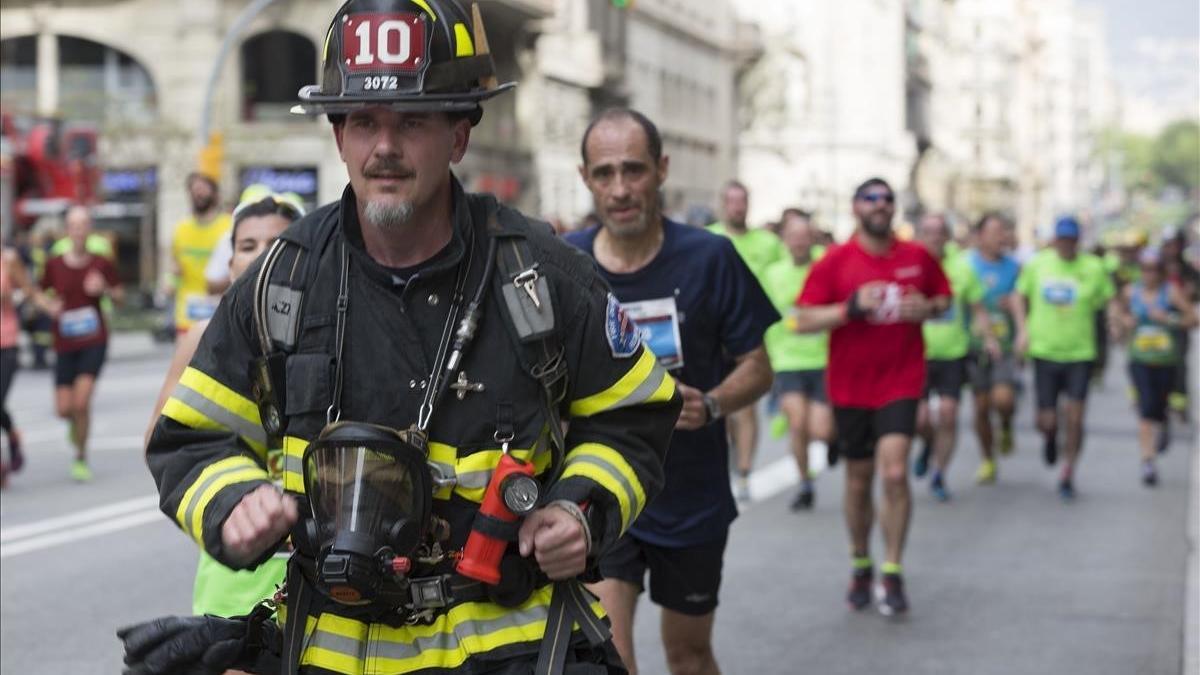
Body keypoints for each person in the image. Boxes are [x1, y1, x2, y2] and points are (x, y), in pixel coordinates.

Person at [130, 3, 681, 673]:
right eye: (363, 122)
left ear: (458, 136)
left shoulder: (541, 273)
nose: (383, 147)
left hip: (515, 649)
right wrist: (231, 500)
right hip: (333, 651)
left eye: (411, 121)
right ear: (338, 137)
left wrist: (578, 509)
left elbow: (633, 416)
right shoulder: (285, 279)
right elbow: (192, 437)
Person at [567, 107, 776, 675]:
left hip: (691, 496)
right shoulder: (566, 265)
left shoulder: (710, 258)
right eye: (604, 173)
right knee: (611, 656)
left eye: (633, 170)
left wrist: (710, 404)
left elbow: (758, 367)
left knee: (688, 655)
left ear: (661, 170)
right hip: (601, 492)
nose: (620, 189)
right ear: (585, 178)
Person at [145, 188, 305, 620]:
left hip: (318, 580)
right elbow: (162, 440)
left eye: (278, 246)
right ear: (230, 261)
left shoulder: (331, 337)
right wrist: (234, 500)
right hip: (235, 578)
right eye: (246, 246)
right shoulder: (202, 337)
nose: (259, 258)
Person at [794, 178, 951, 617]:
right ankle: (861, 561)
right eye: (870, 198)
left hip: (902, 381)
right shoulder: (836, 261)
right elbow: (802, 320)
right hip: (851, 387)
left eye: (886, 199)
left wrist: (929, 309)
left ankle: (893, 569)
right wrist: (851, 309)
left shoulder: (917, 256)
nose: (879, 206)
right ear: (855, 207)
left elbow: (943, 300)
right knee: (859, 480)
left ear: (894, 208)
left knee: (896, 473)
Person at [1013, 215, 1115, 500]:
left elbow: (1108, 301)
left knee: (1076, 417)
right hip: (1045, 351)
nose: (1066, 245)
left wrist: (1118, 321)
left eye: (1072, 240)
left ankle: (1068, 470)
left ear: (1078, 241)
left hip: (1080, 353)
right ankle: (1049, 436)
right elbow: (1019, 297)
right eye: (1062, 239)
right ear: (1054, 239)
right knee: (1046, 419)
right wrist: (1022, 331)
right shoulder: (1038, 264)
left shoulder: (1093, 267)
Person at [706, 181, 785, 501]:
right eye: (733, 201)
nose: (738, 207)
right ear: (724, 204)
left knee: (747, 406)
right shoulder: (708, 239)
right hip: (714, 335)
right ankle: (728, 463)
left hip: (753, 334)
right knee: (721, 407)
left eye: (743, 201)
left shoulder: (768, 242)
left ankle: (745, 473)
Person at [35, 205, 124, 482]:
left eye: (83, 225)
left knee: (81, 402)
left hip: (93, 340)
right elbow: (38, 292)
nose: (78, 231)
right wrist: (48, 306)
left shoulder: (101, 263)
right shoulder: (54, 264)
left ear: (89, 229)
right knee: (64, 409)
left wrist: (105, 290)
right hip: (64, 343)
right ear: (66, 231)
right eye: (73, 226)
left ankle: (81, 456)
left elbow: (120, 297)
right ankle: (74, 424)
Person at [913, 213, 996, 502]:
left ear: (948, 236)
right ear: (920, 235)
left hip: (953, 354)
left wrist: (989, 338)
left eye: (940, 231)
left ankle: (938, 473)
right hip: (916, 354)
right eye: (929, 231)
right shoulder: (910, 265)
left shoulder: (962, 268)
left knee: (948, 414)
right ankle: (926, 444)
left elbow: (979, 308)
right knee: (920, 419)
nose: (935, 237)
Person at [763, 210, 832, 511]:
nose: (799, 242)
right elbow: (763, 316)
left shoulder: (826, 264)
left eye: (804, 236)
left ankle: (834, 443)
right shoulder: (773, 273)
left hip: (825, 358)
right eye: (793, 237)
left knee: (822, 430)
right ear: (785, 240)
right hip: (787, 359)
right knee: (798, 424)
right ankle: (805, 484)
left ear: (812, 237)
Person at [1114, 247, 1197, 484]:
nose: (1149, 275)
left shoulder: (1170, 293)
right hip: (1139, 360)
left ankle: (1164, 422)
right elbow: (1116, 312)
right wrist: (1123, 322)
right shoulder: (1131, 292)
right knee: (1145, 409)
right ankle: (1147, 462)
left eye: (1154, 270)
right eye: (1145, 269)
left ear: (1161, 272)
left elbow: (1193, 318)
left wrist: (1169, 319)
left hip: (1165, 361)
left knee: (1158, 407)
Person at [964, 213, 1022, 483]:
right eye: (995, 231)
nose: (1001, 237)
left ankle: (1007, 424)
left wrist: (1015, 308)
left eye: (1004, 231)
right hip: (974, 346)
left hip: (1004, 346)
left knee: (1003, 400)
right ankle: (988, 459)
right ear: (980, 235)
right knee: (981, 407)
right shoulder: (966, 265)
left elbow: (1026, 302)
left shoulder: (1015, 267)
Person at [167, 171, 231, 336]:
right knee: (185, 361)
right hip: (187, 313)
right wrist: (171, 279)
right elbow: (175, 264)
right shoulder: (181, 229)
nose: (198, 193)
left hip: (219, 311)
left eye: (203, 189)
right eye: (194, 190)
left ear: (215, 194)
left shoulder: (229, 226)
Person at [2, 236, 39, 479]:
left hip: (6, 342)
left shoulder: (9, 259)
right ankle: (12, 437)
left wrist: (11, 299)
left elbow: (28, 290)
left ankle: (13, 440)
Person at [1160, 227, 1199, 422]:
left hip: (1179, 323)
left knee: (1179, 364)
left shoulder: (1188, 270)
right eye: (1168, 245)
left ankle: (1179, 405)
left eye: (1174, 245)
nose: (1171, 249)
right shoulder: (1157, 267)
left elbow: (1194, 295)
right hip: (1157, 324)